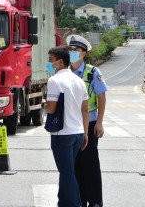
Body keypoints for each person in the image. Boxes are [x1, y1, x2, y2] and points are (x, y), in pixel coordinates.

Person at [44, 46, 89, 207]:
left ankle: (75, 204)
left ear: (60, 61)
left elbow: (51, 108)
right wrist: (85, 133)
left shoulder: (54, 81)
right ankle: (63, 203)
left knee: (67, 172)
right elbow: (85, 109)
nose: (49, 63)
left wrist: (42, 104)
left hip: (61, 133)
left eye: (51, 60)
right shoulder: (79, 81)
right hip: (77, 132)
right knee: (67, 171)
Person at [67, 35, 108, 207]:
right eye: (70, 49)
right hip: (70, 124)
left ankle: (96, 201)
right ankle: (80, 200)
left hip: (89, 124)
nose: (72, 53)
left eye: (76, 50)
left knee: (90, 164)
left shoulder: (92, 72)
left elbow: (101, 97)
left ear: (83, 53)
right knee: (74, 164)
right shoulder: (64, 72)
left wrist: (99, 122)